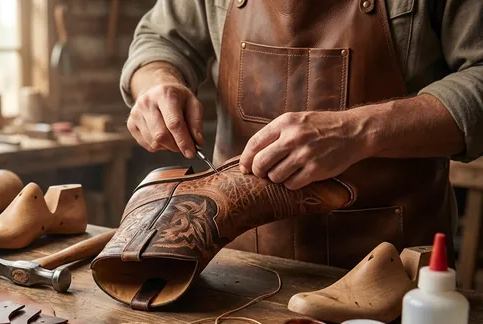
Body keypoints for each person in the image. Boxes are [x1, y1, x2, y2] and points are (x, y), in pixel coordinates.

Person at [121, 0, 482, 268]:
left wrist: (358, 130)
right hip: (236, 269)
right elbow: (159, 38)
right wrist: (158, 83)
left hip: (394, 271)